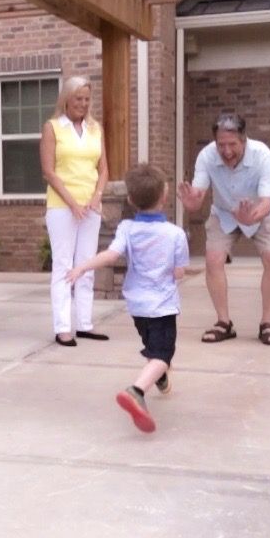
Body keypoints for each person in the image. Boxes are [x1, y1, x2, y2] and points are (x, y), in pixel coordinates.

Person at [66, 164, 189, 433]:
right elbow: (179, 272)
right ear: (165, 198)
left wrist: (82, 267)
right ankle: (137, 390)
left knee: (153, 347)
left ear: (131, 200)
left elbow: (111, 255)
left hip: (137, 305)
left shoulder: (126, 228)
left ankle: (160, 378)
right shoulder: (176, 234)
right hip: (163, 305)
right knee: (163, 354)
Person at [177, 113, 270, 346]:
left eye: (232, 145)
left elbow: (267, 202)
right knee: (213, 259)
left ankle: (268, 323)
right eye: (221, 145)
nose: (226, 151)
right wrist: (192, 204)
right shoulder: (206, 156)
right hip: (225, 210)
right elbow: (198, 196)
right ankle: (223, 323)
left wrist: (252, 216)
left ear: (244, 140)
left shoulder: (263, 155)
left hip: (262, 210)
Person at [40, 76, 109, 347]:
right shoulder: (53, 128)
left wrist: (96, 197)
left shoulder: (95, 129)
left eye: (86, 99)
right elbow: (49, 171)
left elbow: (103, 169)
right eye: (77, 98)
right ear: (66, 99)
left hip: (91, 207)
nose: (82, 103)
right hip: (62, 207)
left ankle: (85, 324)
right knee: (64, 266)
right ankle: (63, 328)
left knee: (86, 266)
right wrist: (72, 203)